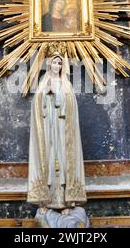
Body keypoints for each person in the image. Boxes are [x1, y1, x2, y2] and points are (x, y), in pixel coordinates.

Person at [27, 52, 87, 215]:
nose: (57, 66)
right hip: (48, 128)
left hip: (62, 128)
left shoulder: (66, 84)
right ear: (49, 65)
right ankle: (45, 200)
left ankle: (65, 202)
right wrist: (46, 92)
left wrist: (58, 94)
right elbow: (37, 106)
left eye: (59, 63)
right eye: (54, 63)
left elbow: (71, 107)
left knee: (63, 159)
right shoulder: (43, 83)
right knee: (47, 159)